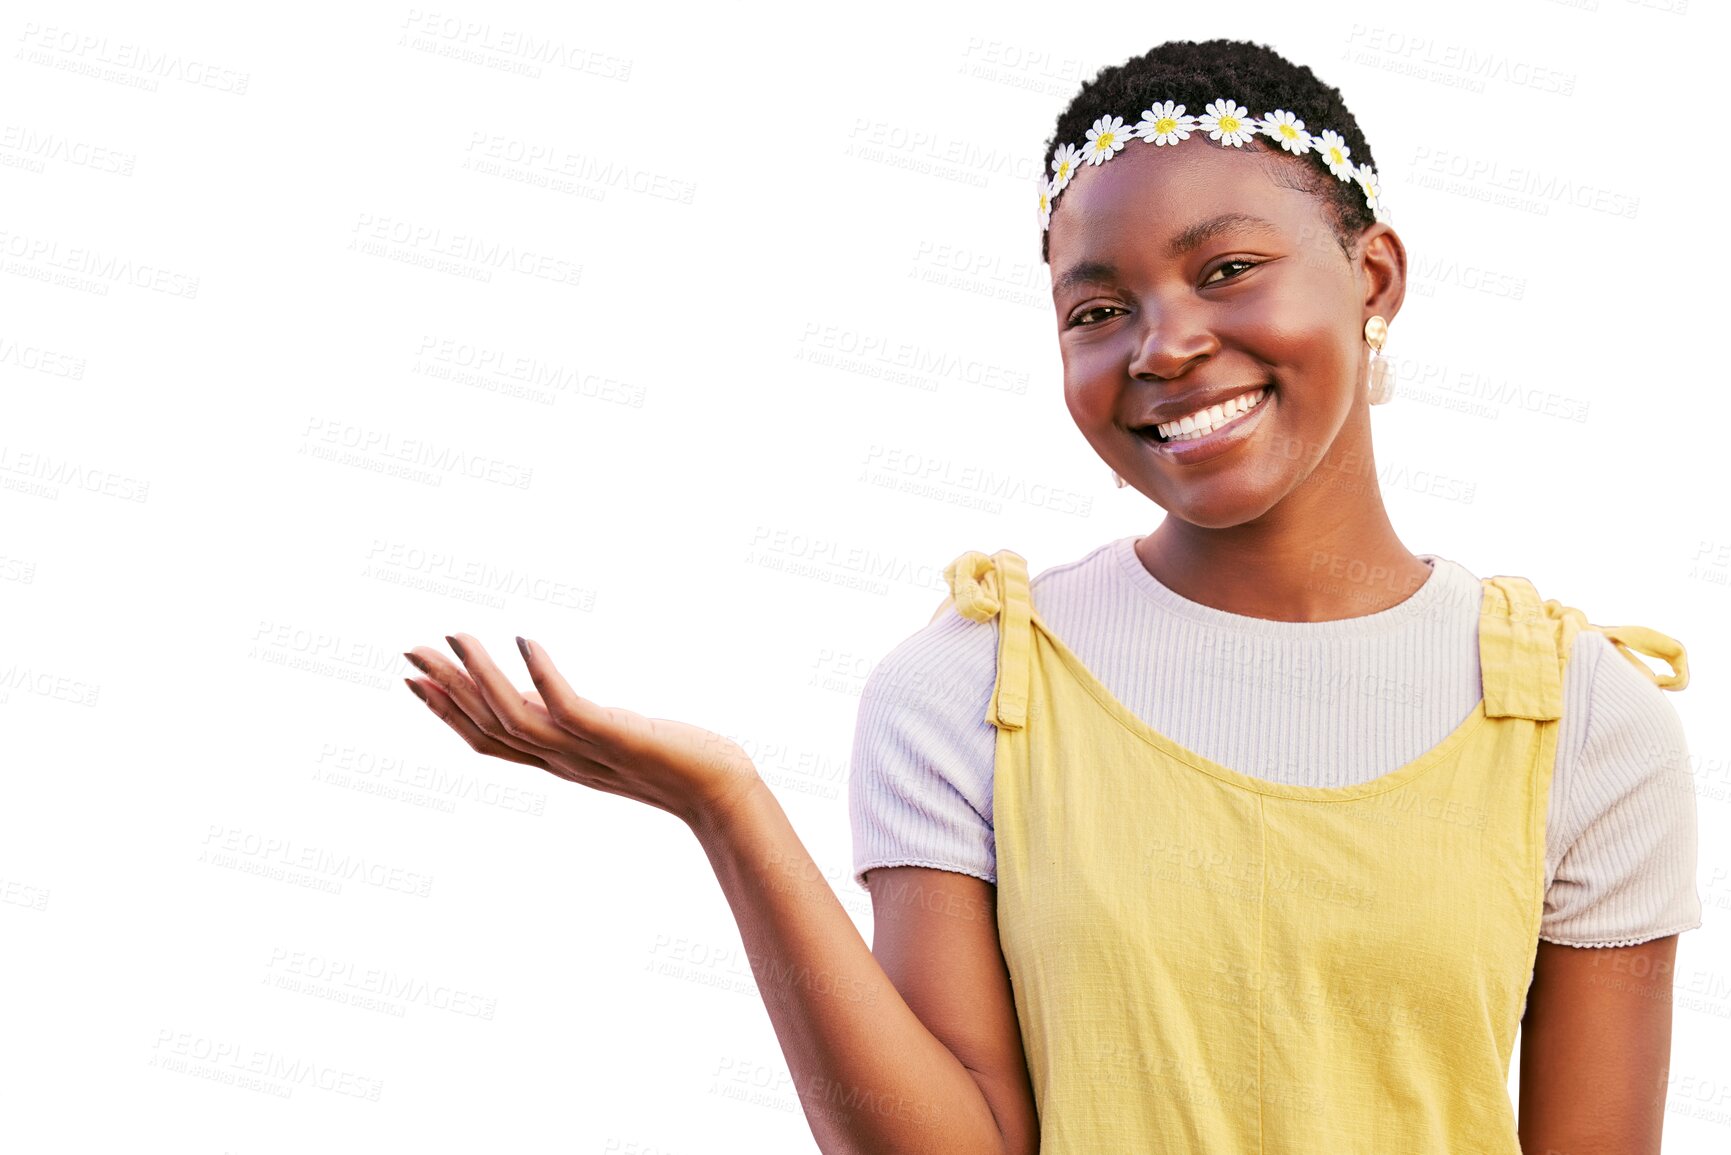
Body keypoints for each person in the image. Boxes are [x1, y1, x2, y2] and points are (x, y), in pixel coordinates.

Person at [401, 37, 1700, 1155]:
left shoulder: (1576, 721)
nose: (1165, 343)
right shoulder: (973, 689)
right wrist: (725, 805)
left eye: (1227, 269)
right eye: (1097, 308)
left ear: (1374, 281)